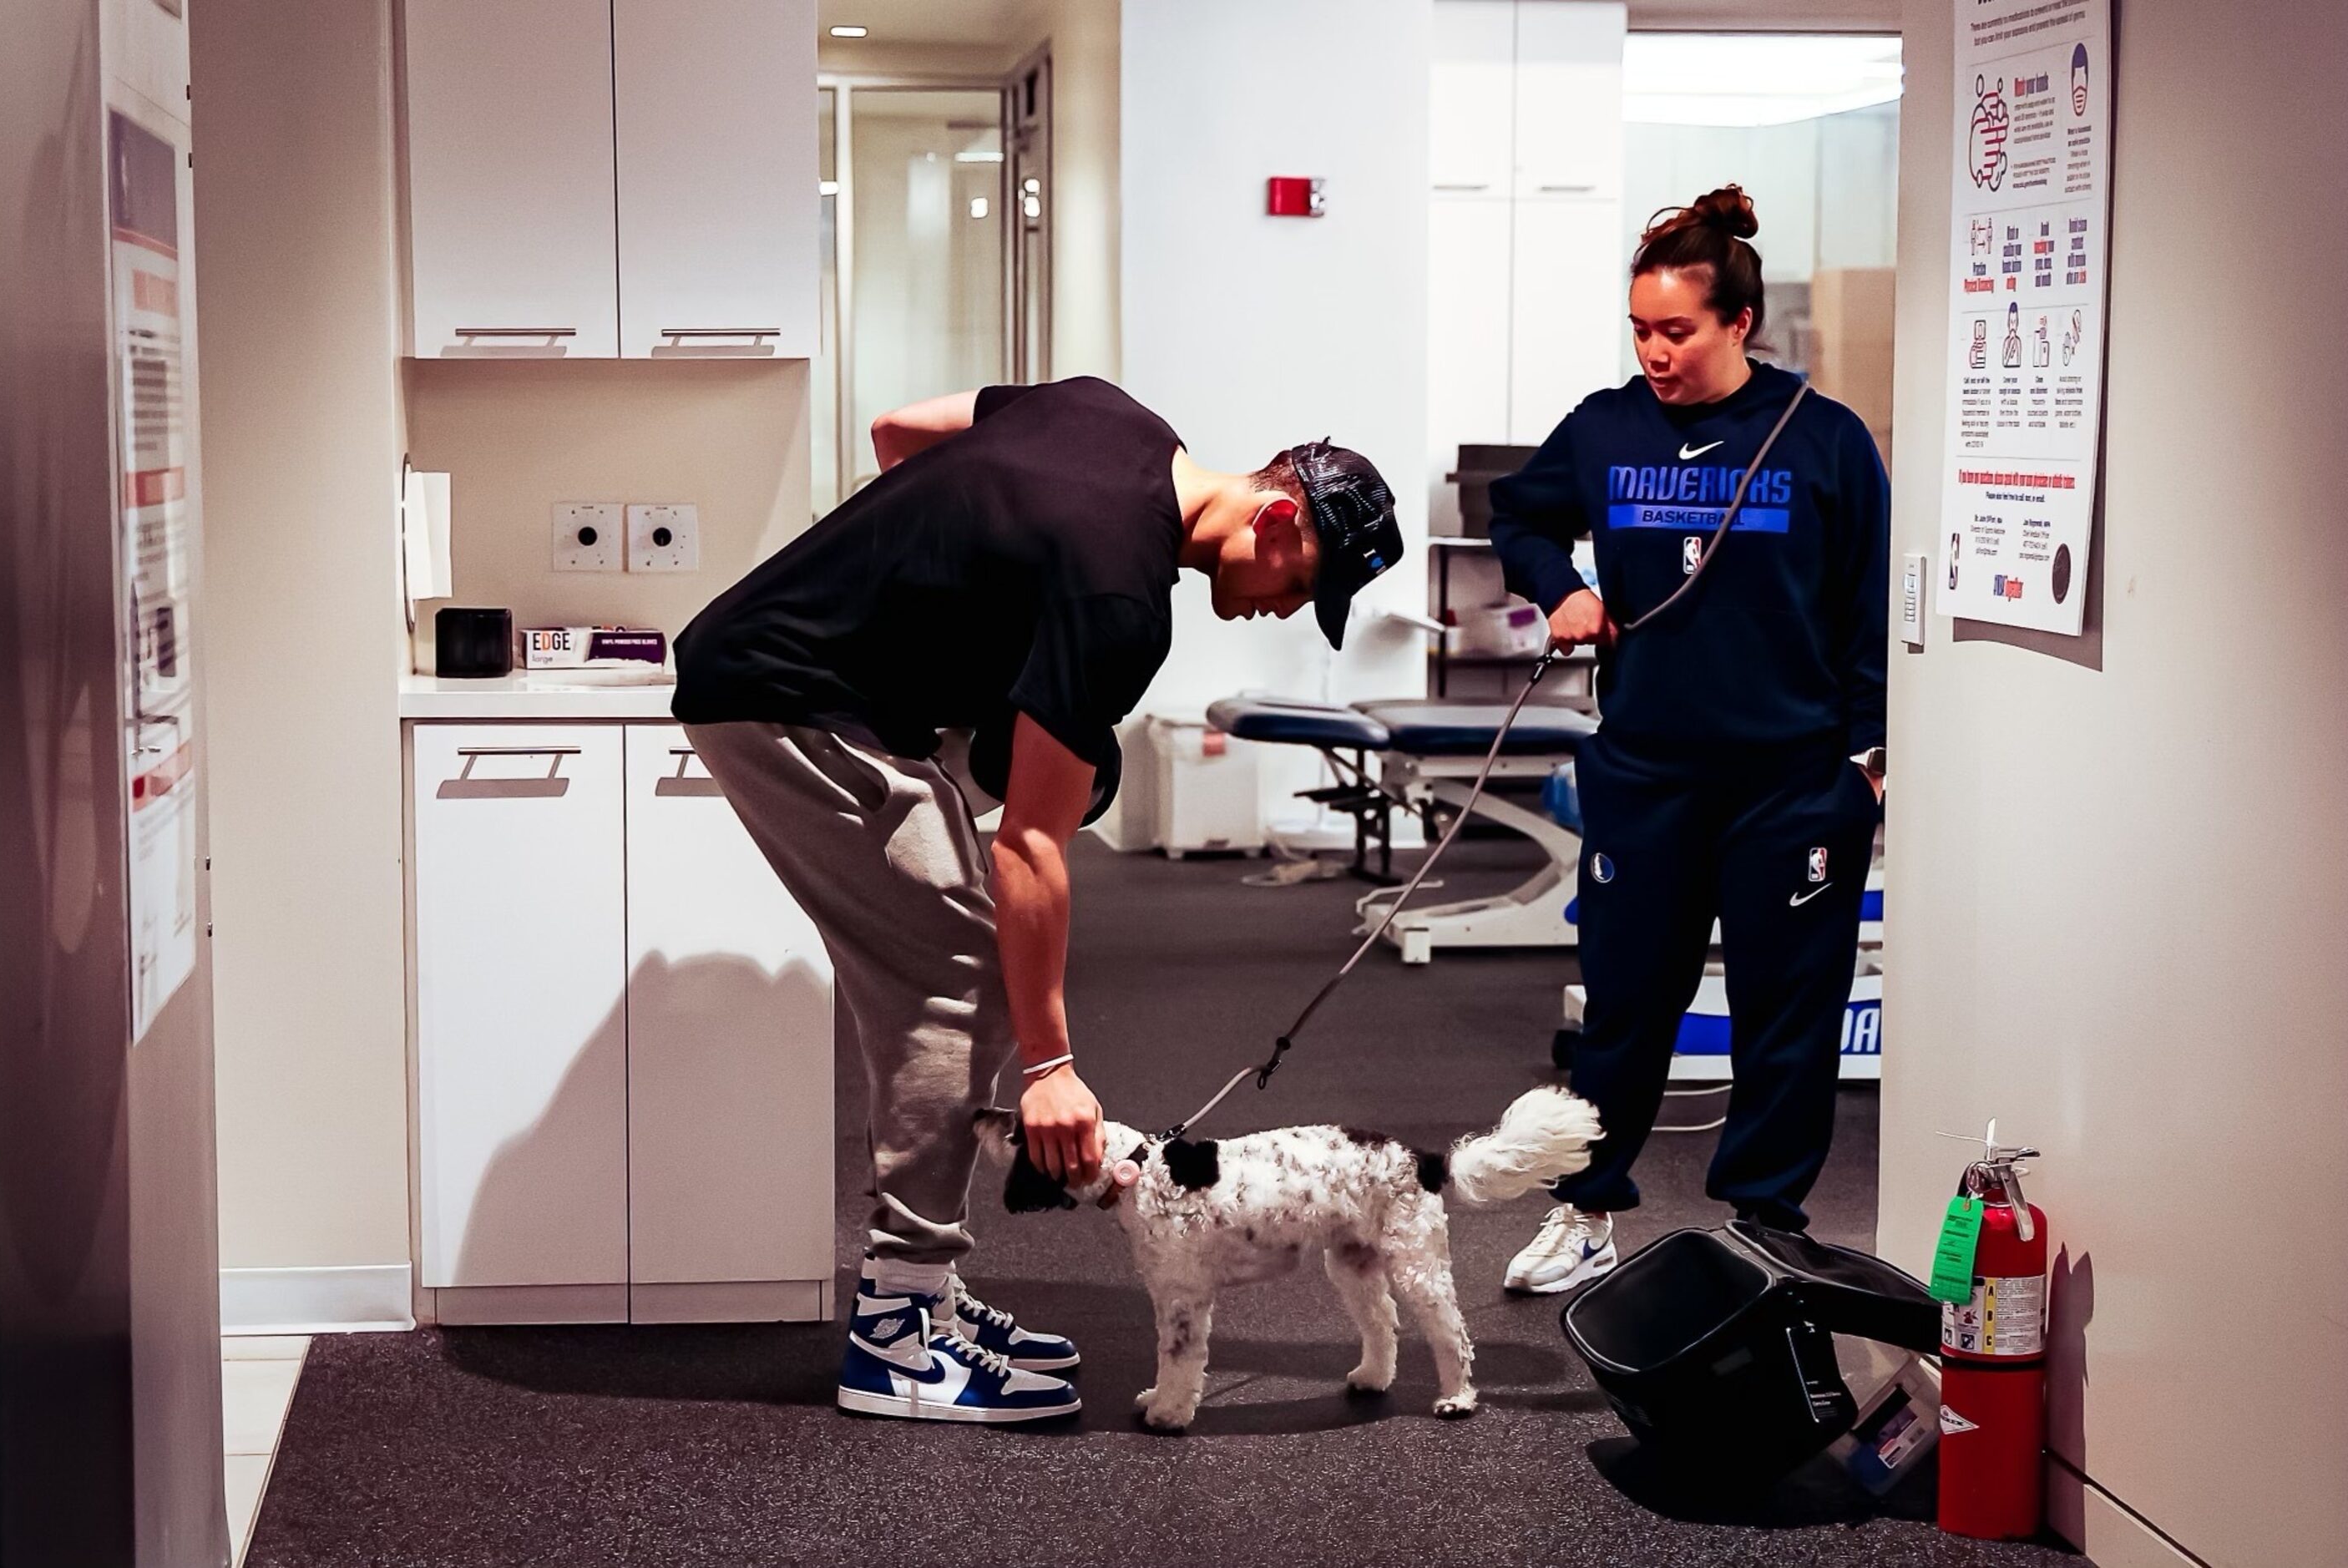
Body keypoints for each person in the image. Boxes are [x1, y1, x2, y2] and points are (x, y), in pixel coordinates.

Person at [672, 377, 1402, 1420]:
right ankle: (896, 1326)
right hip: (784, 699)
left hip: (837, 694)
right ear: (1279, 515)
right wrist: (1052, 1066)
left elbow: (893, 434)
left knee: (1067, 783)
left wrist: (944, 589)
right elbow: (1030, 850)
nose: (1287, 608)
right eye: (1304, 585)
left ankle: (921, 1295)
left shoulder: (1117, 416)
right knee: (955, 969)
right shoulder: (1119, 600)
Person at [1486, 186, 1888, 1294]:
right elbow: (1515, 513)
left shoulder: (1824, 442)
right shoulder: (1607, 429)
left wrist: (1872, 761)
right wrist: (1556, 586)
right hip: (1649, 769)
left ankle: (1766, 1218)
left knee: (1784, 1016)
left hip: (1794, 781)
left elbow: (1868, 613)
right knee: (1622, 1010)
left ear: (1738, 325)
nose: (1654, 353)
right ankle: (1584, 1208)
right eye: (1640, 331)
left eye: (1677, 331)